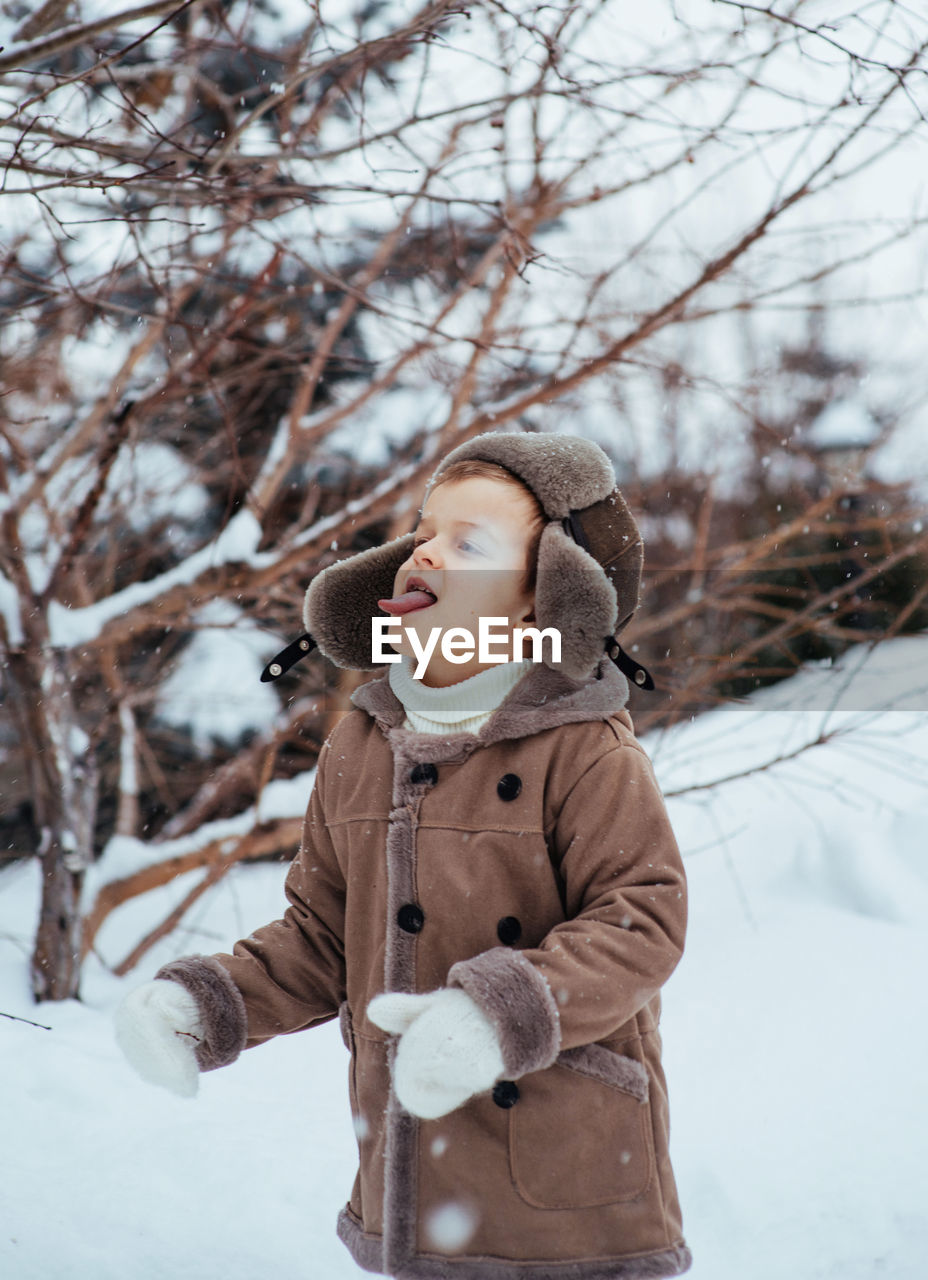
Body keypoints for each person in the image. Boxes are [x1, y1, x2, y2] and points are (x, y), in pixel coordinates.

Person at [115, 431, 693, 1279]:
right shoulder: (362, 743)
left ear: (542, 598)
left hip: (565, 1184)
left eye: (470, 541)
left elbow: (643, 921)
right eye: (426, 529)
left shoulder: (586, 750)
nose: (427, 549)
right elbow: (322, 935)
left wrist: (502, 1011)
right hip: (415, 1180)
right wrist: (208, 1004)